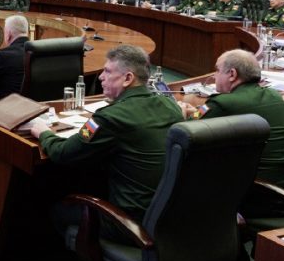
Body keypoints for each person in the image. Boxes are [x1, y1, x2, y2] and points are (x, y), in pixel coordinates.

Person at [28, 44, 182, 223]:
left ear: (128, 78)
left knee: (53, 208)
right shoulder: (171, 106)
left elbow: (63, 153)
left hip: (129, 221)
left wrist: (44, 133)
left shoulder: (111, 117)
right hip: (170, 215)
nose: (101, 77)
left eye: (107, 71)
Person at [180, 50, 284, 213]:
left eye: (217, 70)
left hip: (257, 193)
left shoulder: (223, 103)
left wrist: (181, 113)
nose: (214, 76)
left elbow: (185, 132)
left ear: (232, 74)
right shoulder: (274, 95)